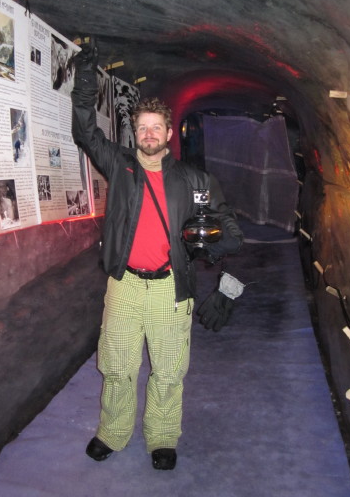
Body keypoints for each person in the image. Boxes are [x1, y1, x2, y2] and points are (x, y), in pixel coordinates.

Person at [71, 39, 243, 471]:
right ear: (135, 133)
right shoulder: (120, 165)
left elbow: (231, 233)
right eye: (141, 128)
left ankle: (163, 437)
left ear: (169, 133)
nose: (148, 135)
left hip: (170, 289)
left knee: (168, 370)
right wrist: (86, 81)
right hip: (125, 285)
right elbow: (85, 132)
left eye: (156, 128)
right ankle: (112, 432)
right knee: (117, 366)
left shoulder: (194, 179)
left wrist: (216, 256)